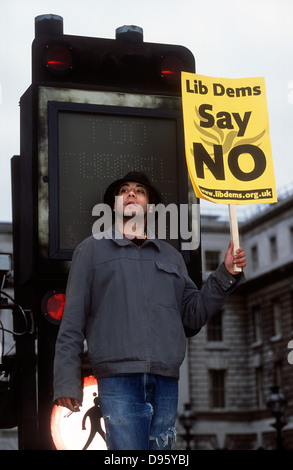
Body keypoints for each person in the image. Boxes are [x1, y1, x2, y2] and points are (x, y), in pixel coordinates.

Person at [53, 171, 246, 450]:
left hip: (166, 380)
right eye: (124, 191)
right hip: (118, 379)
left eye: (139, 190)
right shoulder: (91, 250)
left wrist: (225, 273)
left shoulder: (172, 257)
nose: (131, 193)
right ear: (114, 206)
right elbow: (72, 322)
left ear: (151, 207)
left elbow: (193, 314)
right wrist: (66, 383)